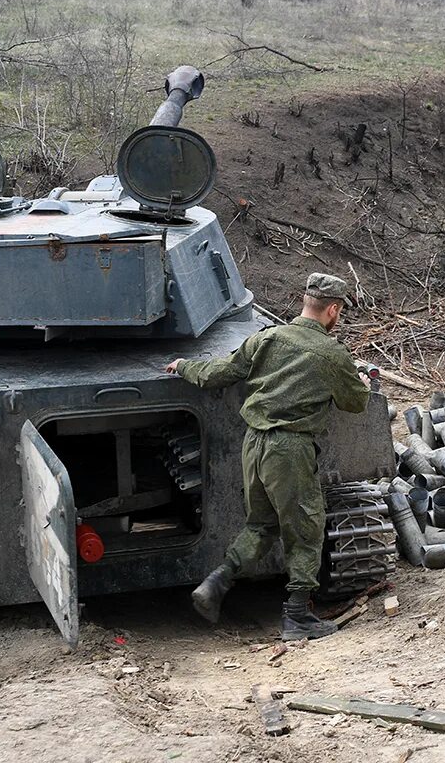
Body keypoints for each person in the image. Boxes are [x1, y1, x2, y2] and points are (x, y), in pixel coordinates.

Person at [164, 273, 372, 641]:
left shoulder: (267, 338)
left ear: (304, 302)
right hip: (289, 450)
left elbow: (219, 372)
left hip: (254, 445)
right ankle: (297, 617)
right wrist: (363, 382)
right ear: (333, 310)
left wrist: (183, 366)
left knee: (261, 525)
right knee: (306, 528)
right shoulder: (330, 353)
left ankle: (217, 582)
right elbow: (355, 402)